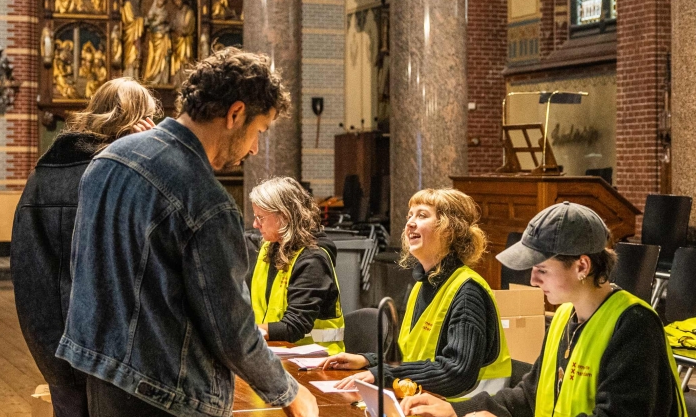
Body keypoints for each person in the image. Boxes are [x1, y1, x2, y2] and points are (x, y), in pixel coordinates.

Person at [58, 48, 319, 417]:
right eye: (258, 131)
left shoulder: (107, 161)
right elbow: (231, 330)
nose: (256, 147)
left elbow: (81, 272)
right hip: (167, 396)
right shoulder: (207, 202)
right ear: (235, 114)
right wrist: (289, 393)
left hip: (101, 380)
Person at [400, 203, 687, 417]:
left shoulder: (634, 324)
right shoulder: (564, 315)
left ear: (582, 266)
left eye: (542, 270)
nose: (533, 281)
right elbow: (530, 395)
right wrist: (456, 410)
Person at [12, 78, 160, 417]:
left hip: (52, 342)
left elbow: (26, 268)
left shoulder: (42, 176)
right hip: (115, 349)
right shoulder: (123, 175)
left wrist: (46, 344)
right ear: (136, 122)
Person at [326, 189, 512, 399]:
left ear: (449, 229)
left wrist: (384, 374)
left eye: (422, 215)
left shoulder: (468, 290)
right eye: (410, 215)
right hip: (421, 401)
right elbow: (411, 355)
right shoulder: (422, 284)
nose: (410, 223)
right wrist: (368, 360)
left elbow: (457, 372)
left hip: (464, 409)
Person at [250, 177, 345, 354]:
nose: (255, 224)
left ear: (284, 216)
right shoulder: (268, 248)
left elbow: (294, 326)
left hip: (318, 362)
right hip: (276, 354)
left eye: (260, 217)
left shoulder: (313, 259)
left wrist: (243, 332)